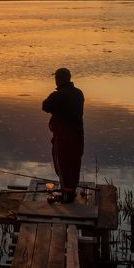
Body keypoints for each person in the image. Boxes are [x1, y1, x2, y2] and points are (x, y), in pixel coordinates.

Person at [42, 68, 84, 203]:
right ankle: (71, 190)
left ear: (58, 79)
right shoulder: (78, 93)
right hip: (78, 135)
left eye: (56, 78)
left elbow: (45, 106)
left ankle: (67, 195)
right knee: (74, 162)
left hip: (63, 137)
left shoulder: (57, 96)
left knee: (62, 164)